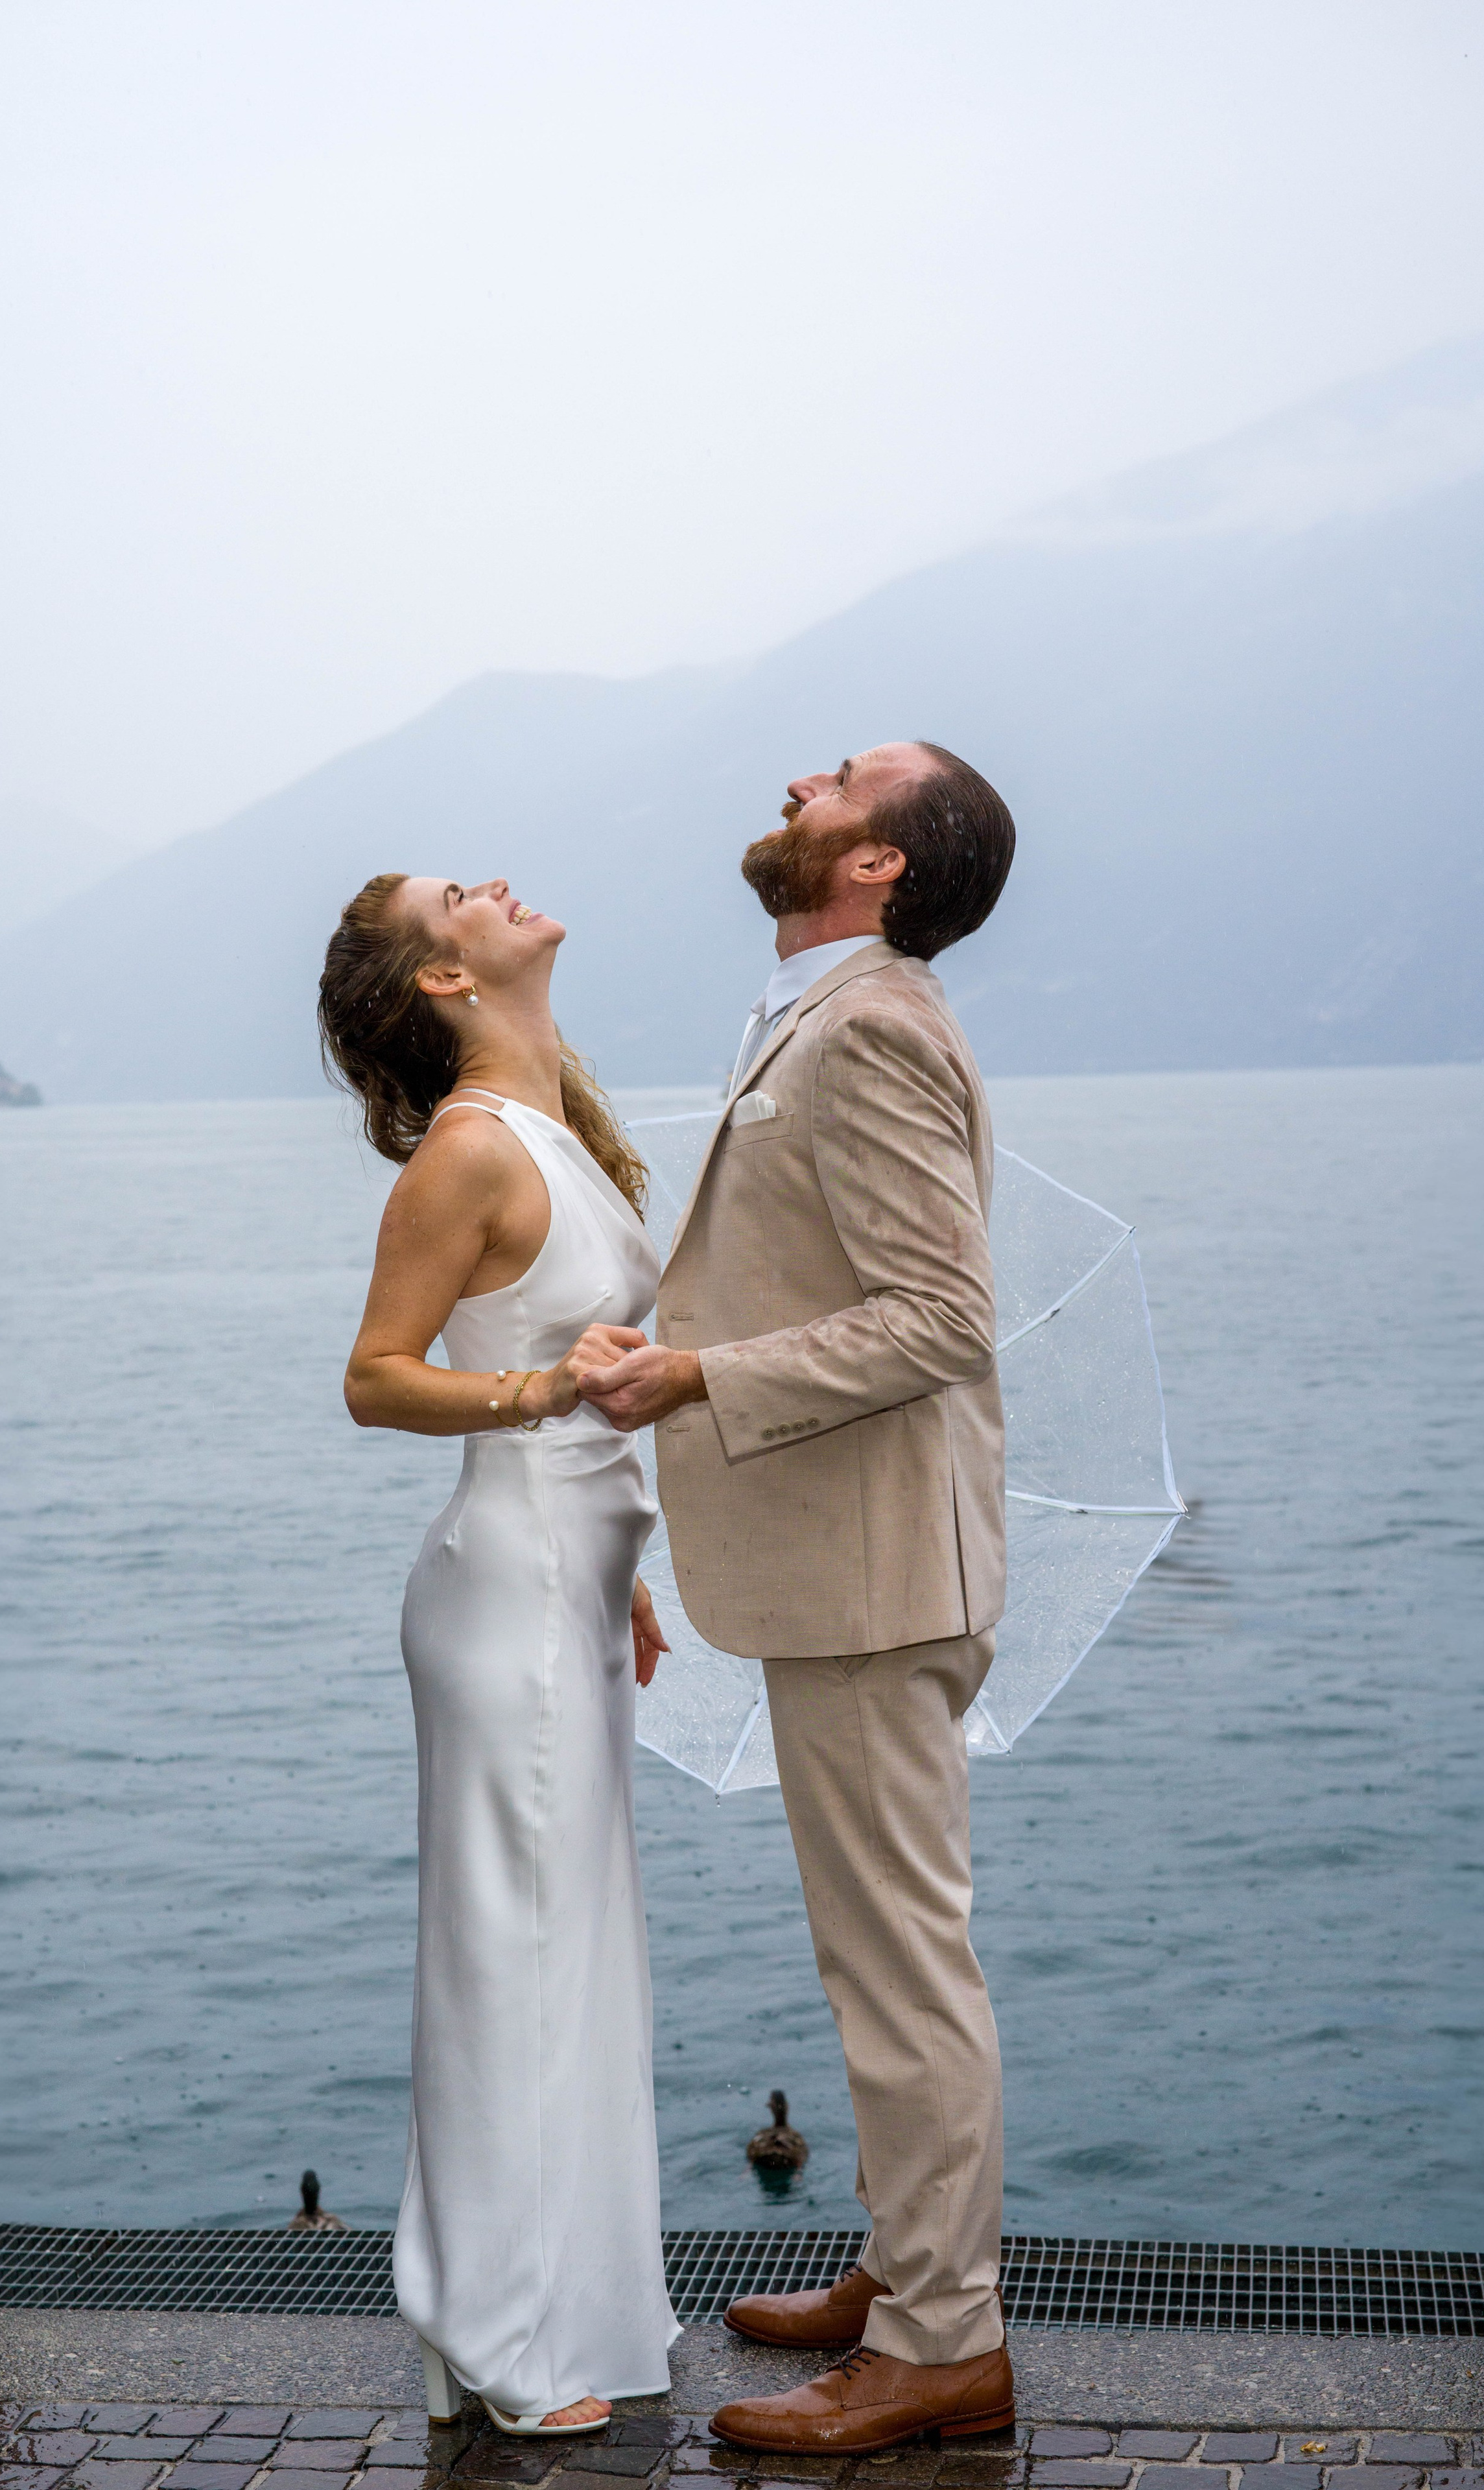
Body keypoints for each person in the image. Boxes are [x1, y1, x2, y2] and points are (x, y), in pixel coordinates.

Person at [579, 742, 1017, 2456]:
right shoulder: (823, 1010)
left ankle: (942, 2344)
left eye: (839, 779)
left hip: (872, 1573)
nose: (797, 780)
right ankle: (912, 2271)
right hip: (852, 1562)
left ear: (881, 863)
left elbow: (939, 1318)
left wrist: (695, 1374)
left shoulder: (881, 1028)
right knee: (876, 1959)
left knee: (902, 1965)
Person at [319, 871, 679, 2437]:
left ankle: (532, 2314)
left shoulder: (559, 1135)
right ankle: (498, 2330)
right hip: (505, 1588)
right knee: (515, 1960)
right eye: (450, 895)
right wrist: (543, 1402)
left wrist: (638, 1564)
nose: (492, 884)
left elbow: (595, 1377)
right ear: (443, 981)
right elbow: (375, 1380)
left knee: (566, 1957)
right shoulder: (466, 1152)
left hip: (575, 1583)